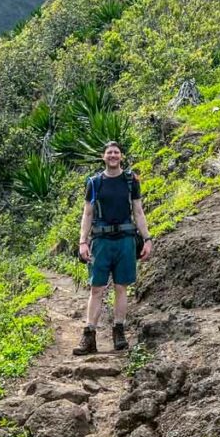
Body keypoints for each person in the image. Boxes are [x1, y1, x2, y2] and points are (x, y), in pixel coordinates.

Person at [73, 140, 153, 355]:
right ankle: (89, 335)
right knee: (97, 288)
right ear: (103, 157)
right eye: (109, 152)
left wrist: (147, 238)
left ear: (121, 156)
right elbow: (87, 213)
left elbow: (138, 211)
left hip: (126, 240)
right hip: (101, 241)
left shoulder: (130, 180)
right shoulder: (94, 182)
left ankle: (119, 331)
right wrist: (82, 242)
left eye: (116, 152)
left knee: (121, 287)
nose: (113, 156)